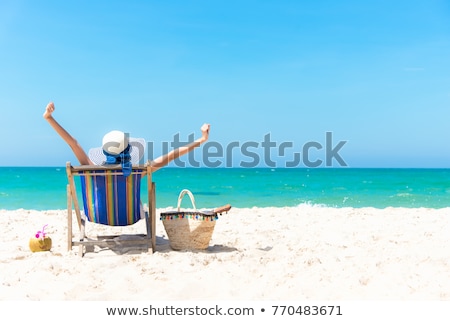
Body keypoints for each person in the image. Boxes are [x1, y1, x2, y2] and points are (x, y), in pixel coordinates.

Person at [43, 102, 210, 172]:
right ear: (129, 149)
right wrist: (201, 140)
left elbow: (73, 144)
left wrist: (50, 118)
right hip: (129, 216)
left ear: (104, 152)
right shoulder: (137, 171)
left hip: (99, 214)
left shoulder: (92, 168)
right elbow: (173, 154)